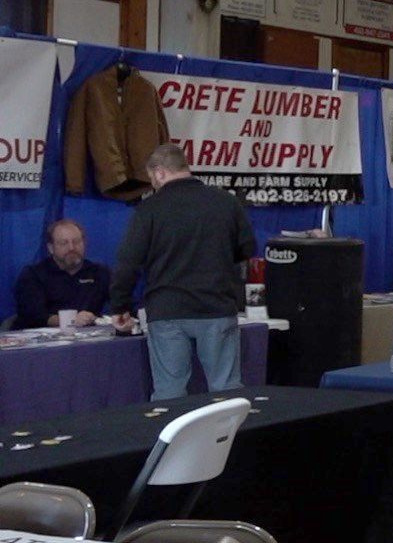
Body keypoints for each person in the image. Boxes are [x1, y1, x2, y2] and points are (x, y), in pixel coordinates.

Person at [109, 144, 254, 399]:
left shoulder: (149, 209)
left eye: (152, 177)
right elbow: (247, 248)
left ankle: (171, 439)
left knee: (169, 392)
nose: (153, 183)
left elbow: (128, 262)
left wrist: (120, 306)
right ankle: (232, 438)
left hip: (167, 310)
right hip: (216, 306)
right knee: (226, 389)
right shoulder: (225, 202)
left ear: (160, 172)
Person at [13, 219, 110, 329]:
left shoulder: (99, 272)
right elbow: (32, 315)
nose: (71, 248)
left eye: (76, 241)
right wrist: (70, 320)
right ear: (50, 248)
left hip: (89, 339)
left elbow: (121, 302)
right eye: (64, 243)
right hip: (42, 340)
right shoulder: (33, 275)